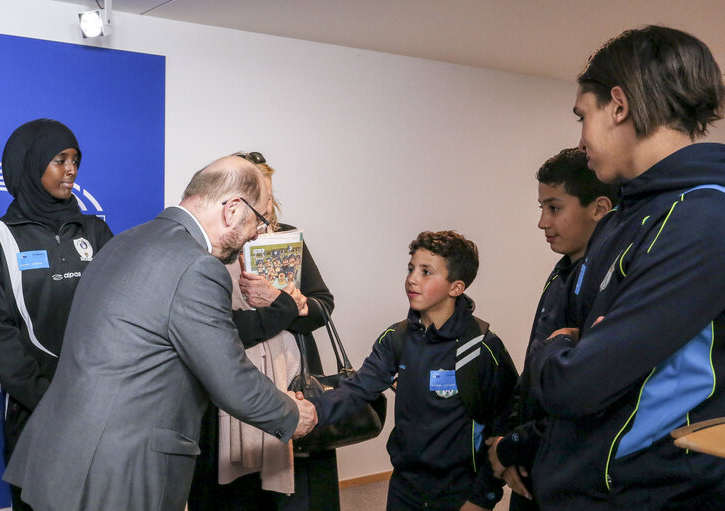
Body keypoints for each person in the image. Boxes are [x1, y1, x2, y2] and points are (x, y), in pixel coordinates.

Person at [2, 156, 317, 511]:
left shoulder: (125, 240)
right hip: (117, 472)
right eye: (258, 220)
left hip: (60, 458)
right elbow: (231, 379)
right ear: (232, 210)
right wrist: (292, 413)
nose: (255, 234)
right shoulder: (197, 266)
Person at [527, 26, 725, 510]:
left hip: (645, 495)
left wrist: (555, 352)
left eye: (583, 116)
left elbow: (578, 383)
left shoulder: (704, 216)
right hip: (582, 486)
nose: (581, 137)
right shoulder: (623, 216)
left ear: (619, 105)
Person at [311, 231, 517, 511]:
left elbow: (506, 420)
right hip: (404, 488)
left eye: (426, 272)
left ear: (455, 287)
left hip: (460, 492)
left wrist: (484, 496)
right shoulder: (395, 338)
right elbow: (357, 390)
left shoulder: (482, 346)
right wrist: (309, 411)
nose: (412, 279)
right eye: (411, 269)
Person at [0, 119, 114, 511]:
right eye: (59, 160)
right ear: (31, 166)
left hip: (100, 406)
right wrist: (51, 399)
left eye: (75, 160)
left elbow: (122, 309)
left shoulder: (96, 232)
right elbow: (0, 335)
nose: (71, 170)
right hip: (37, 410)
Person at [189, 152, 340, 511]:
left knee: (295, 498)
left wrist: (278, 301)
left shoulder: (287, 239)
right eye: (259, 196)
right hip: (229, 394)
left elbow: (322, 307)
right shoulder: (207, 251)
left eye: (269, 195)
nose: (267, 205)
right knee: (236, 498)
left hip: (293, 383)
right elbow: (221, 331)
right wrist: (285, 307)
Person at [485, 148, 617, 510]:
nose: (542, 222)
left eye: (554, 208)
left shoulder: (608, 287)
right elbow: (533, 369)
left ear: (599, 209)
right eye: (541, 208)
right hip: (533, 463)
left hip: (570, 475)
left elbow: (584, 400)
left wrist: (514, 446)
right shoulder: (560, 275)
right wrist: (505, 438)